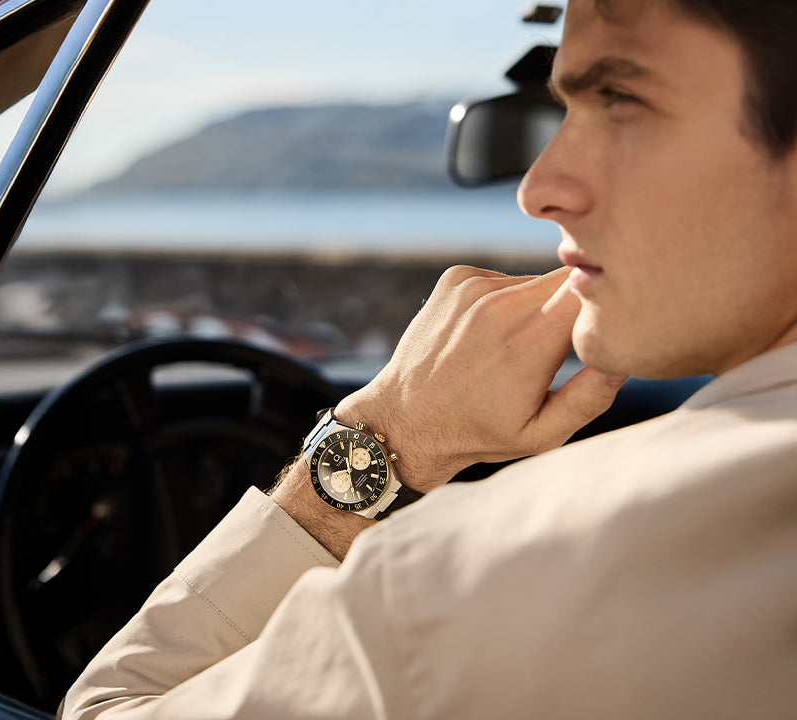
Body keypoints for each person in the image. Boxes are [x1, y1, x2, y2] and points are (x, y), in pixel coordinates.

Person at [61, 0, 797, 717]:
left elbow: (105, 708)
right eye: (565, 111)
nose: (537, 191)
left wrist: (388, 435)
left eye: (621, 99)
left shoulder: (489, 574)